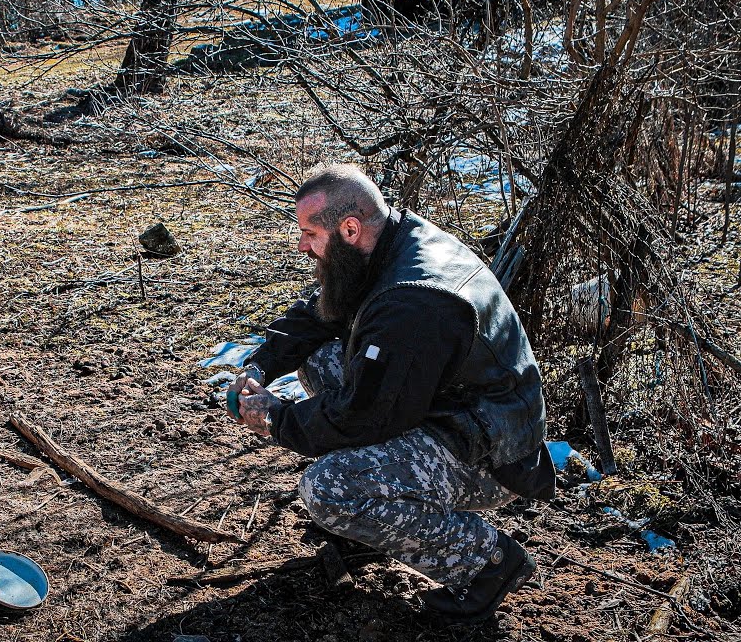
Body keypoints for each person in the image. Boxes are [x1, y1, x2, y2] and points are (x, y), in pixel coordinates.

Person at [227, 163, 555, 622]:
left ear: (349, 227)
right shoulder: (387, 244)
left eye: (308, 233)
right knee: (318, 352)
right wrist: (260, 365)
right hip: (446, 408)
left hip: (490, 454)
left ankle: (488, 563)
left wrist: (276, 419)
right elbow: (321, 314)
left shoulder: (413, 299)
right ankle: (375, 520)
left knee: (329, 487)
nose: (302, 246)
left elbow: (365, 416)